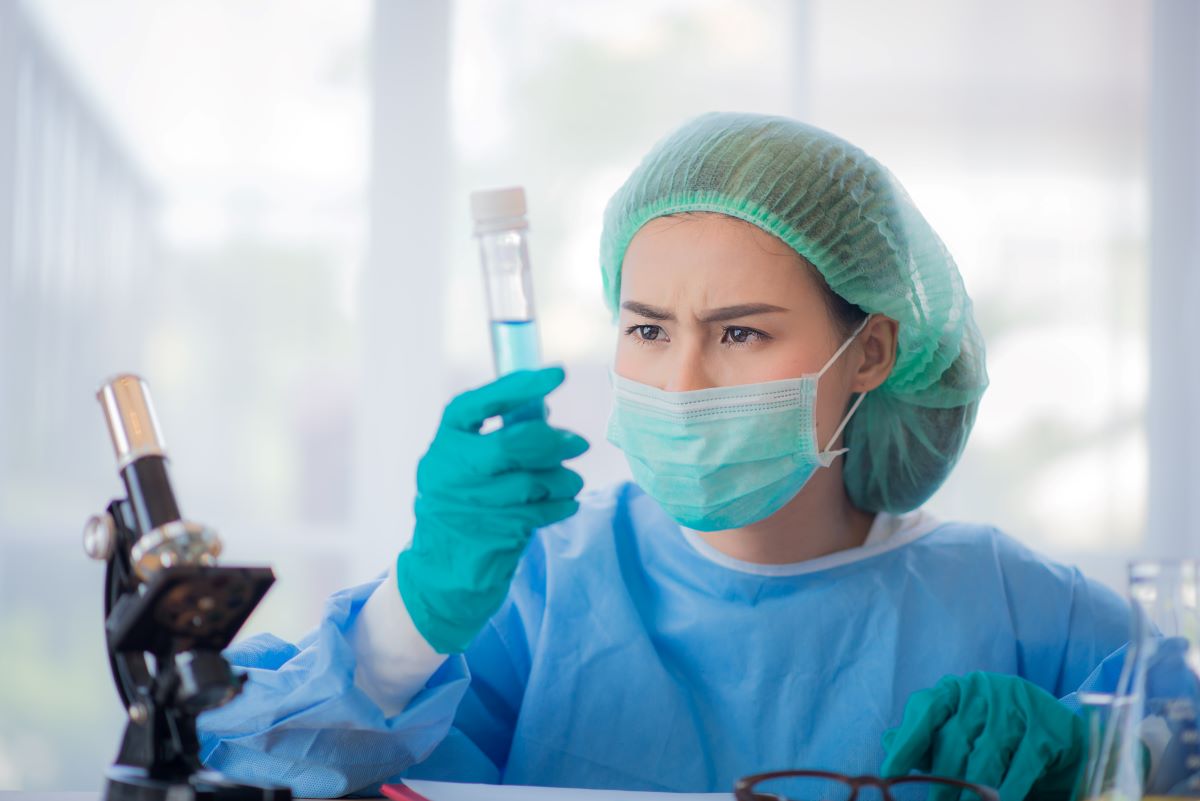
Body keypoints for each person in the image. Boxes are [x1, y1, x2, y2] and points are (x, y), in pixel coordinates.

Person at [197, 113, 1131, 800]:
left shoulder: (1008, 603)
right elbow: (247, 758)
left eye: (740, 333)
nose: (680, 382)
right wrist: (411, 618)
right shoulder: (540, 590)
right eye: (648, 328)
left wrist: (1103, 754)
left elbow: (1182, 727)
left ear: (871, 354)